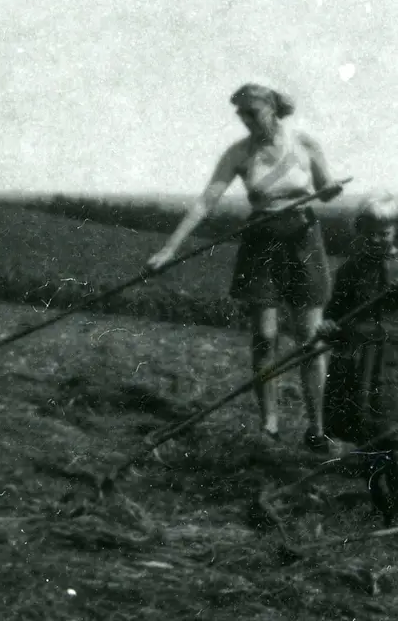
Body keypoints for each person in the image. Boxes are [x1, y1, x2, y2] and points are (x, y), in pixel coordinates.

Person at [146, 83, 343, 453]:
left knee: (310, 337)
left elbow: (325, 187)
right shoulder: (238, 153)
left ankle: (317, 429)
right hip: (261, 243)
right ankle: (269, 423)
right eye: (241, 114)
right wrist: (169, 248)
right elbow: (206, 201)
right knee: (264, 337)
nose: (245, 120)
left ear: (272, 109)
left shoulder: (305, 144)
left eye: (252, 112)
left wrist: (330, 189)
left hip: (303, 240)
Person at [316, 193, 398, 526]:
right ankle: (381, 502)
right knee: (366, 436)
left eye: (383, 232)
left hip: (393, 359)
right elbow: (335, 318)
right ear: (360, 231)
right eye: (369, 231)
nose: (376, 239)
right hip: (354, 359)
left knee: (393, 432)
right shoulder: (350, 270)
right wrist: (329, 328)